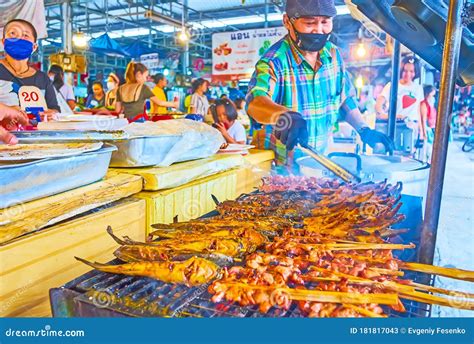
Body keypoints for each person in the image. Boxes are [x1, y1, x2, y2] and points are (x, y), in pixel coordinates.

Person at [246, 0, 393, 168]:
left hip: (320, 165)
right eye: (309, 23)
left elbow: (344, 99)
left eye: (325, 22)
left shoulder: (333, 54)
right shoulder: (273, 62)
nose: (318, 30)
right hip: (280, 169)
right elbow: (255, 103)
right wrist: (283, 115)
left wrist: (364, 130)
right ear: (287, 21)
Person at [0, 19, 59, 120]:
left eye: (25, 35)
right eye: (13, 33)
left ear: (34, 47)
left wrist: (52, 114)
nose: (18, 38)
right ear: (3, 41)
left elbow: (54, 109)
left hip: (36, 134)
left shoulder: (43, 78)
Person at [376, 56, 424, 153]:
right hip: (395, 126)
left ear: (416, 72)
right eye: (405, 71)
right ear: (401, 70)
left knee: (409, 157)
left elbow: (418, 111)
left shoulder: (418, 88)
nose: (408, 74)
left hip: (412, 127)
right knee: (393, 155)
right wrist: (383, 114)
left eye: (412, 71)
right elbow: (379, 103)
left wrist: (422, 131)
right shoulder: (392, 85)